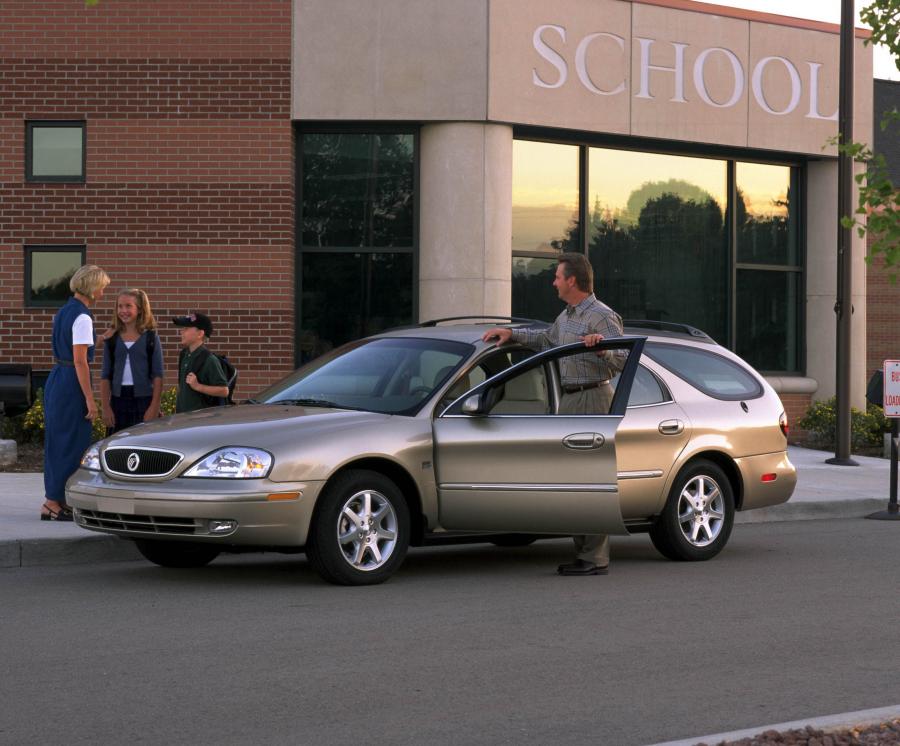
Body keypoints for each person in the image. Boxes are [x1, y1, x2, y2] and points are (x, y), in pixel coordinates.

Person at [482, 252, 625, 576]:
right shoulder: (567, 315)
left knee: (591, 479)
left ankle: (595, 559)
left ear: (572, 280)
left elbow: (622, 360)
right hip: (571, 401)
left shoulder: (601, 316)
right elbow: (547, 340)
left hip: (593, 398)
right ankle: (584, 555)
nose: (554, 282)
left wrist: (602, 348)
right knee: (574, 480)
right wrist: (512, 334)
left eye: (558, 276)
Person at [42, 264, 111, 521]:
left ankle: (55, 499)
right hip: (72, 381)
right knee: (70, 441)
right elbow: (80, 361)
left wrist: (101, 337)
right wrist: (90, 400)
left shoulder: (65, 311)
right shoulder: (83, 316)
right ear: (92, 288)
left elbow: (74, 345)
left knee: (58, 439)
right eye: (102, 287)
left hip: (58, 377)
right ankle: (52, 502)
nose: (103, 292)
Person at [100, 289, 164, 434]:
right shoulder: (112, 339)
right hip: (117, 401)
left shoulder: (151, 338)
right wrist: (105, 407)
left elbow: (158, 375)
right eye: (120, 306)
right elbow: (105, 376)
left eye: (128, 306)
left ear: (140, 309)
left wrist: (154, 407)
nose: (123, 310)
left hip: (144, 401)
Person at [172, 312, 229, 413]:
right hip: (182, 418)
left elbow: (224, 391)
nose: (181, 332)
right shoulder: (184, 354)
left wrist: (198, 386)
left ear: (200, 334)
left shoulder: (209, 360)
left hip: (198, 421)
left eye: (186, 328)